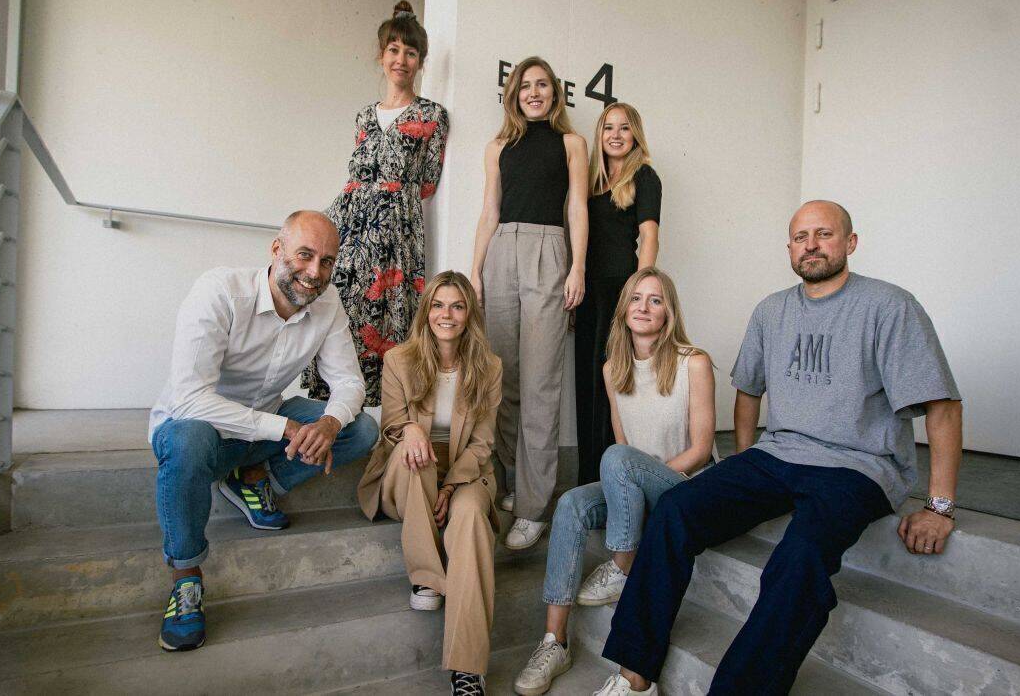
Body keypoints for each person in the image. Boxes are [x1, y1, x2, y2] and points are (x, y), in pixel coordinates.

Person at [595, 201, 963, 696]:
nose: (811, 244)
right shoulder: (772, 310)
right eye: (800, 236)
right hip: (777, 456)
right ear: (789, 248)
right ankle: (634, 674)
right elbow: (748, 393)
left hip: (858, 466)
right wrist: (746, 462)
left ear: (850, 243)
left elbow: (942, 405)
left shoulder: (889, 306)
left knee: (799, 557)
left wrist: (939, 506)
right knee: (677, 509)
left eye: (823, 234)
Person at [149, 211, 379, 652]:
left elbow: (349, 383)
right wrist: (290, 427)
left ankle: (252, 477)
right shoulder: (219, 290)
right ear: (277, 250)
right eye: (305, 255)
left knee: (361, 429)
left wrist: (328, 423)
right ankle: (186, 578)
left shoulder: (327, 305)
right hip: (199, 429)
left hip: (262, 425)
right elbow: (191, 399)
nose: (315, 273)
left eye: (327, 261)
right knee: (189, 441)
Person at [513, 268, 715, 696]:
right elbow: (623, 451)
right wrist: (630, 480)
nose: (644, 307)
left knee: (617, 457)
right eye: (636, 299)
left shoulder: (692, 362)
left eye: (655, 300)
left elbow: (701, 450)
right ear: (623, 310)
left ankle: (622, 565)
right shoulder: (612, 370)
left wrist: (640, 475)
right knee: (570, 503)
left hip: (683, 487)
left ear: (669, 312)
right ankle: (555, 641)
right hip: (633, 486)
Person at [356, 271, 503, 696]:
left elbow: (482, 442)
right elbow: (390, 428)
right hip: (406, 469)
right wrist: (412, 431)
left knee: (473, 515)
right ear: (427, 311)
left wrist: (453, 486)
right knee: (414, 454)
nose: (447, 314)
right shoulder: (399, 359)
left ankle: (468, 668)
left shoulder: (488, 367)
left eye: (457, 306)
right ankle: (427, 577)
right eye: (439, 305)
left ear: (469, 314)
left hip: (463, 468)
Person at [303, 0, 449, 407]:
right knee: (338, 311)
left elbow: (427, 183)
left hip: (396, 235)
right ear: (382, 56)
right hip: (349, 230)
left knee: (389, 322)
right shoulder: (364, 117)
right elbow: (355, 176)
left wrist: (388, 203)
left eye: (411, 52)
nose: (401, 59)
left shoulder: (432, 115)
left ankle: (381, 425)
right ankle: (330, 412)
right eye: (394, 50)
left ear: (420, 61)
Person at [470, 55, 589, 551]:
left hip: (548, 249)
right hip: (502, 252)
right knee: (505, 377)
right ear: (514, 94)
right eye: (526, 87)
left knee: (542, 383)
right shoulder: (497, 147)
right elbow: (489, 211)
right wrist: (474, 271)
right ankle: (513, 484)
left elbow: (577, 207)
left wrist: (577, 267)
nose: (534, 93)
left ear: (555, 94)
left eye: (543, 86)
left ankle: (535, 506)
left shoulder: (571, 143)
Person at [576, 103, 662, 486]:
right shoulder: (590, 181)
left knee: (614, 384)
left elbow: (649, 237)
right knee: (586, 382)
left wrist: (638, 292)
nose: (615, 134)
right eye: (608, 128)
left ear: (635, 135)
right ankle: (587, 481)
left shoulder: (644, 176)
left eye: (624, 128)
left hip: (620, 290)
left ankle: (616, 479)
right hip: (586, 291)